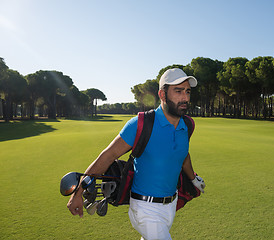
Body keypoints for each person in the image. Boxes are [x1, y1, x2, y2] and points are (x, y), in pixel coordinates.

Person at [67, 68, 206, 240]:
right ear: (162, 94)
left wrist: (193, 178)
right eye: (178, 91)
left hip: (170, 205)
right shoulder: (141, 124)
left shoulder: (187, 125)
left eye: (187, 91)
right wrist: (78, 192)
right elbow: (107, 156)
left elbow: (182, 153)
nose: (185, 97)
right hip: (145, 208)